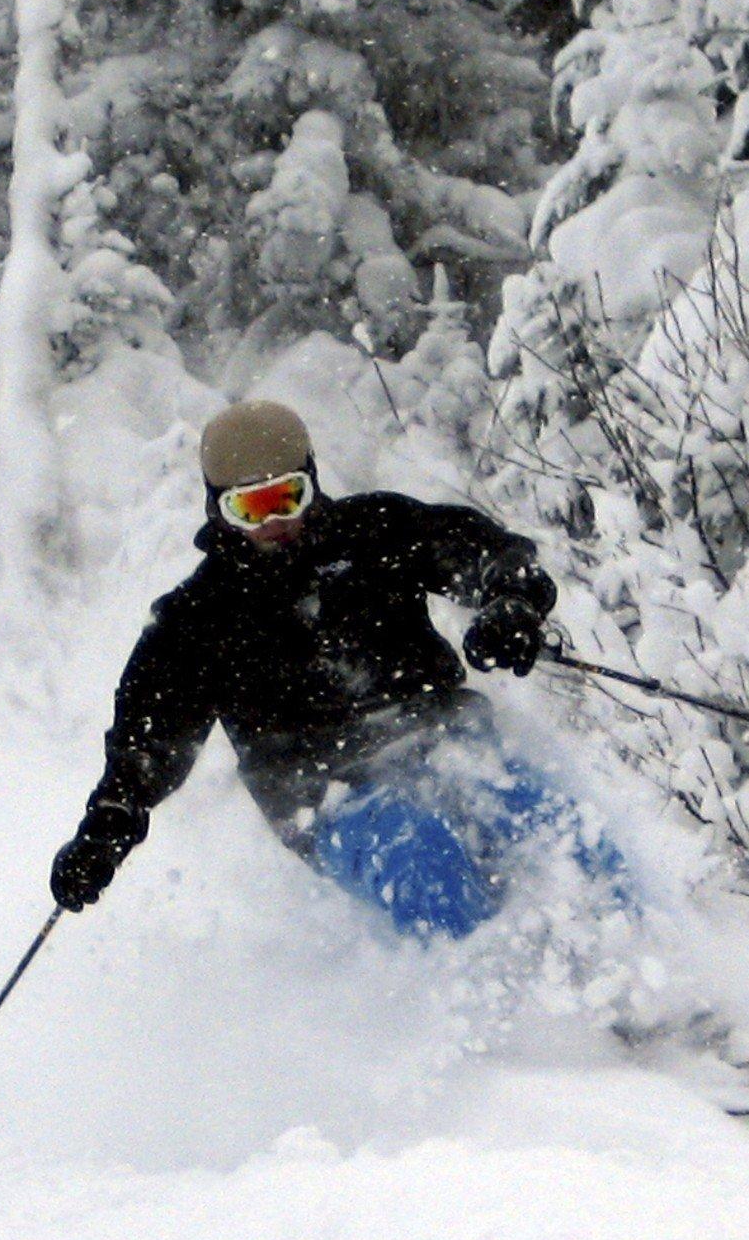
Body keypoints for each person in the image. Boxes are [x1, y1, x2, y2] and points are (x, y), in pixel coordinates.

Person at [46, 400, 613, 939]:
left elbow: (486, 554)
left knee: (550, 821)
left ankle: (647, 976)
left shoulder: (375, 532)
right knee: (419, 852)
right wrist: (109, 826)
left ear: (312, 481)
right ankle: (510, 1007)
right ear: (216, 509)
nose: (273, 524)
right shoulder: (199, 620)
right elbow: (149, 742)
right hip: (323, 793)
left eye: (286, 499)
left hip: (443, 736)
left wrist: (511, 605)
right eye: (249, 509)